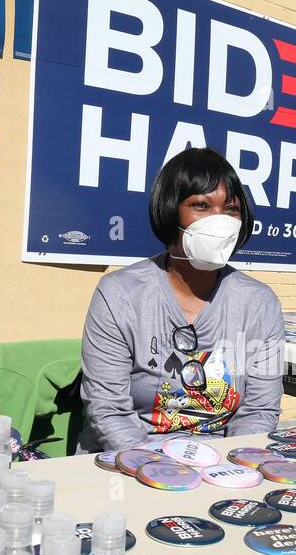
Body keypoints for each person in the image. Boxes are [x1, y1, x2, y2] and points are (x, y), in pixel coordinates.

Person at [78, 147, 285, 453]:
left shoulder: (260, 303)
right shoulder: (119, 294)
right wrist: (160, 472)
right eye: (201, 205)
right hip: (127, 460)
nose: (220, 221)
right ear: (169, 210)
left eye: (230, 209)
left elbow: (260, 411)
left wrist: (229, 467)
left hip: (219, 465)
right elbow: (108, 412)